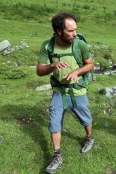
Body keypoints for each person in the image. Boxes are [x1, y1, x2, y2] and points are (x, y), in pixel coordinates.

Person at [36, 12, 94, 173]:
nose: (75, 34)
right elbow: (39, 71)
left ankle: (89, 137)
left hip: (78, 90)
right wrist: (51, 66)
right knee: (54, 123)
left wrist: (77, 72)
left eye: (75, 29)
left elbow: (90, 65)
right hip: (58, 91)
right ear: (59, 30)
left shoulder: (79, 44)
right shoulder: (48, 46)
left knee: (85, 116)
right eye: (70, 31)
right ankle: (57, 155)